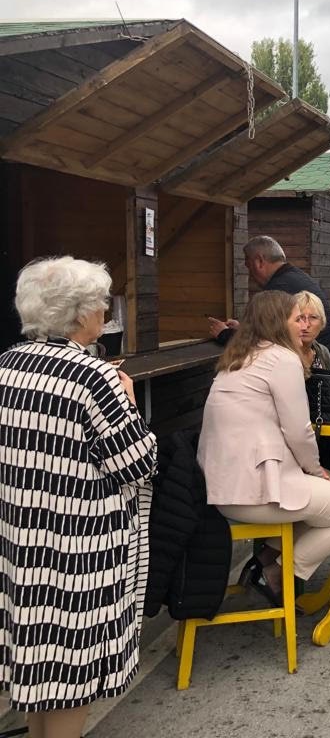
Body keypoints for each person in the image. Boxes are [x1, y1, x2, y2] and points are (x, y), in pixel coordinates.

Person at [0, 256, 157, 736]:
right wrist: (129, 406)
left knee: (39, 659)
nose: (104, 315)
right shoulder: (95, 377)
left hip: (21, 539)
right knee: (74, 670)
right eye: (99, 306)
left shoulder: (8, 364)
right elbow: (136, 463)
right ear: (80, 313)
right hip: (82, 545)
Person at [198, 291, 330, 607]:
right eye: (296, 318)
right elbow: (299, 431)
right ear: (279, 322)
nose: (302, 324)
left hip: (222, 489)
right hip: (253, 492)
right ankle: (278, 572)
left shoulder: (238, 357)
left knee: (326, 492)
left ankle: (264, 559)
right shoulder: (282, 358)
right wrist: (315, 470)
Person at [207, 235, 330, 381]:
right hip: (325, 376)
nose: (250, 274)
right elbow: (271, 330)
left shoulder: (277, 291)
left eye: (248, 265)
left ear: (259, 261)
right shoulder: (298, 278)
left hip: (309, 377)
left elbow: (259, 342)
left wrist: (224, 334)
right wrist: (243, 328)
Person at [295, 290, 330, 475]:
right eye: (300, 318)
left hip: (323, 431)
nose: (306, 325)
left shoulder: (322, 352)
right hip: (296, 439)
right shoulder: (284, 354)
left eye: (313, 318)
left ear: (322, 323)